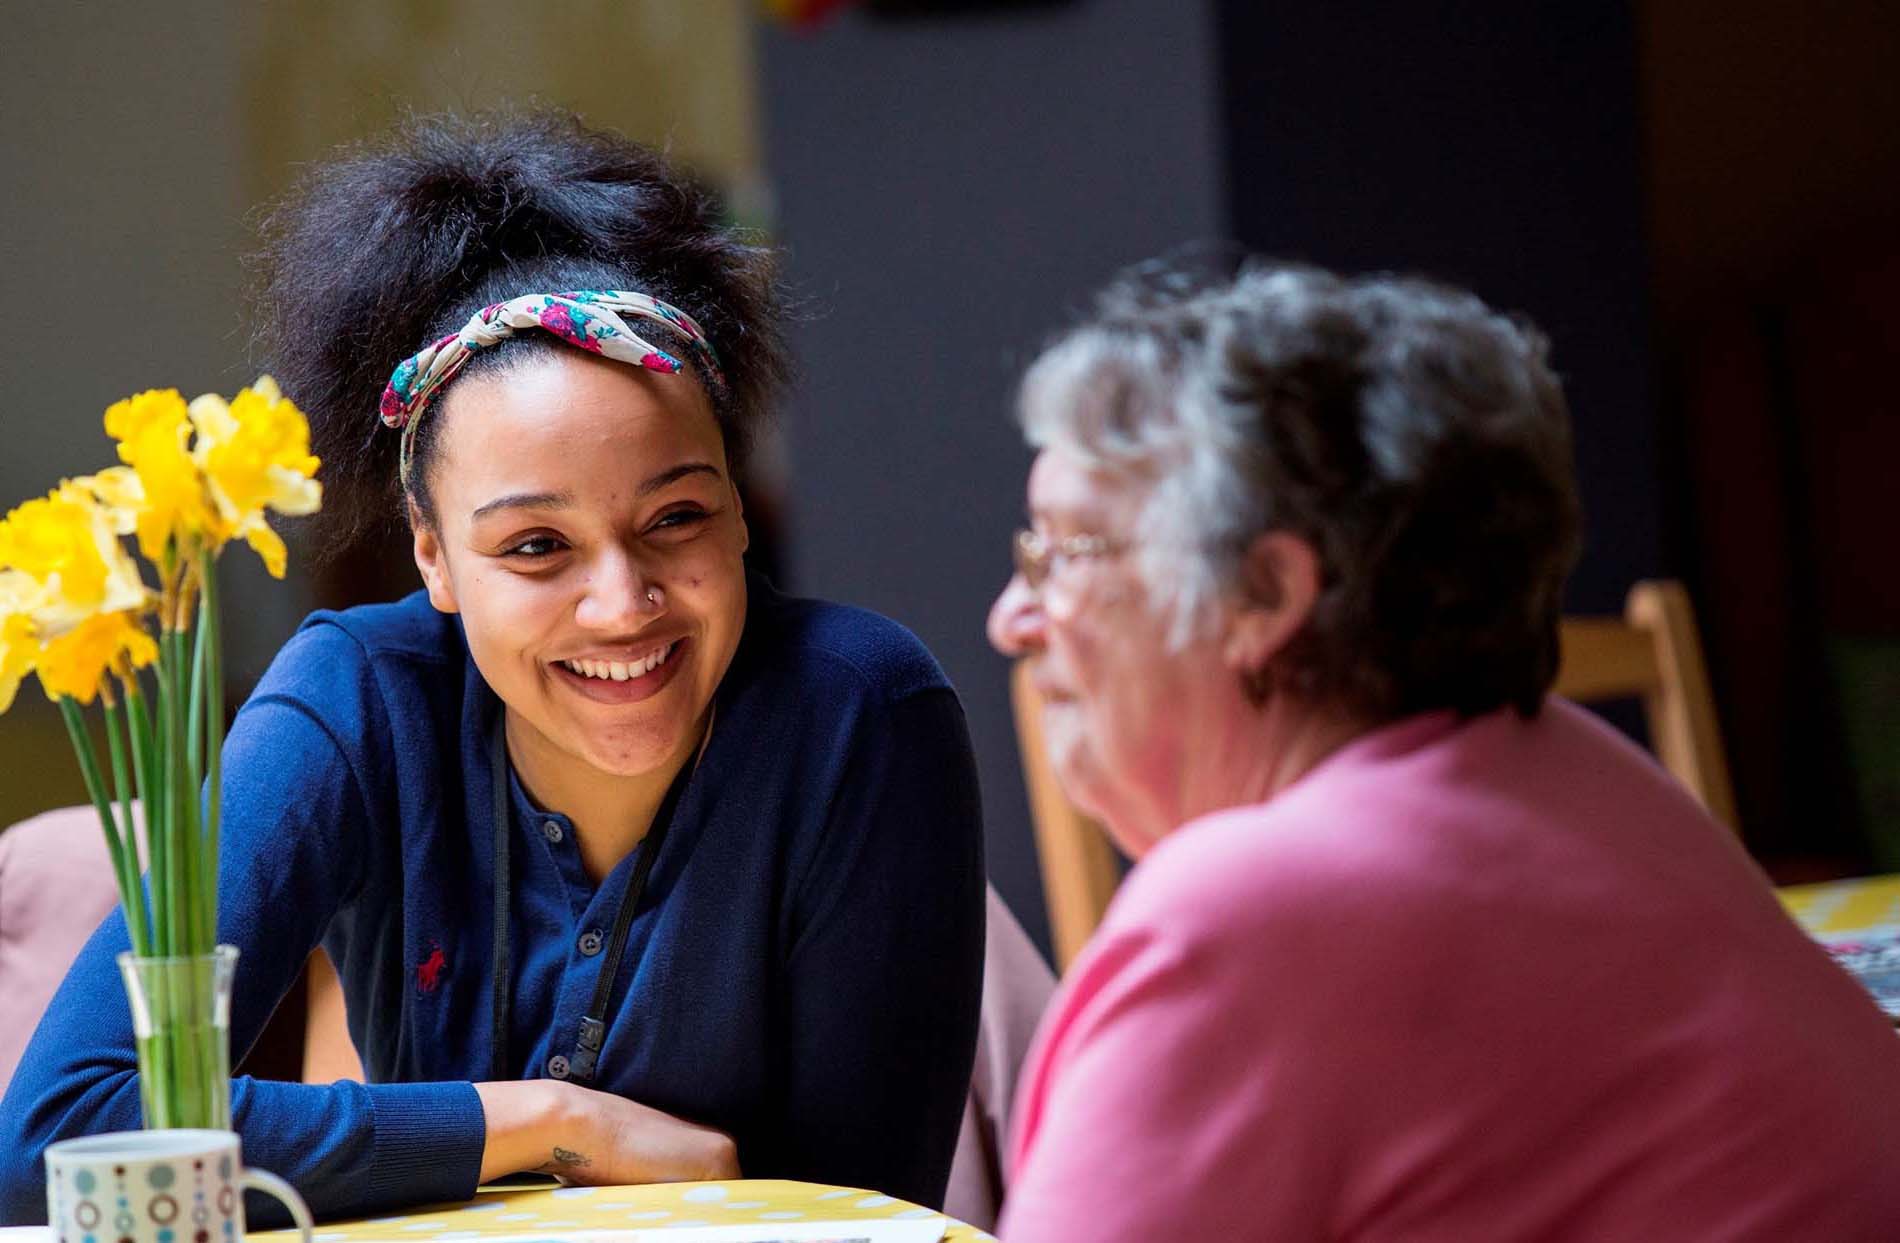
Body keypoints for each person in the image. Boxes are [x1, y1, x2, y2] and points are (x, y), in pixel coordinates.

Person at [0, 111, 984, 1223]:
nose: (622, 603)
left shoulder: (859, 711)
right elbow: (59, 1131)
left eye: (676, 517)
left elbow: (862, 1215)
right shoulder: (360, 697)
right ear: (435, 556)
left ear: (741, 514)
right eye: (535, 546)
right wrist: (559, 1125)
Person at [986, 257, 1900, 1240]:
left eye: (1065, 550)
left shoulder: (1249, 913)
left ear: (1261, 594)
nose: (1011, 618)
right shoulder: (1577, 766)